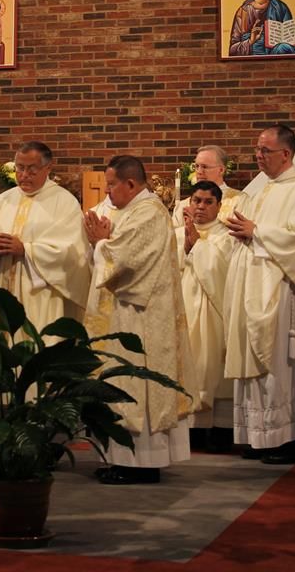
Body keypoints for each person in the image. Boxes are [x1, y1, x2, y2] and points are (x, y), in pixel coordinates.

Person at [83, 155, 200, 484]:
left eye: (111, 185)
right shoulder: (132, 211)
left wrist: (100, 242)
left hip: (141, 317)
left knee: (136, 382)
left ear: (131, 184)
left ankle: (141, 463)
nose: (107, 192)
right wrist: (103, 242)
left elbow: (125, 260)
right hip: (127, 313)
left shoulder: (148, 213)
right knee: (122, 380)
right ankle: (121, 459)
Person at [224, 124, 295, 464]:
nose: (258, 156)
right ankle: (263, 436)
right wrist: (243, 233)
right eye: (257, 150)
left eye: (265, 151)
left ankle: (292, 440)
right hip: (257, 289)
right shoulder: (265, 191)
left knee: (283, 368)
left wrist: (256, 232)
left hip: (285, 295)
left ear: (285, 154)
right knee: (260, 368)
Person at [0, 141, 89, 338]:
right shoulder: (2, 201)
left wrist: (26, 250)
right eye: (20, 168)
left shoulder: (65, 203)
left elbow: (72, 253)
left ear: (48, 168)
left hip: (40, 296)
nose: (24, 175)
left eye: (32, 170)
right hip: (3, 289)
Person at [176, 180, 236, 452]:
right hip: (184, 308)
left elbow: (224, 272)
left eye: (208, 202)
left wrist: (197, 247)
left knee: (213, 368)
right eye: (196, 201)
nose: (200, 207)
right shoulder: (176, 234)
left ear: (219, 205)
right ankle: (191, 431)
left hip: (214, 311)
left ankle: (220, 431)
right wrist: (187, 245)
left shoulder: (227, 236)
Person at [173, 145, 246, 227]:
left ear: (221, 170)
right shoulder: (183, 205)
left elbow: (240, 232)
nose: (199, 172)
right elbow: (174, 233)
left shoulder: (240, 200)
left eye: (205, 167)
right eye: (197, 166)